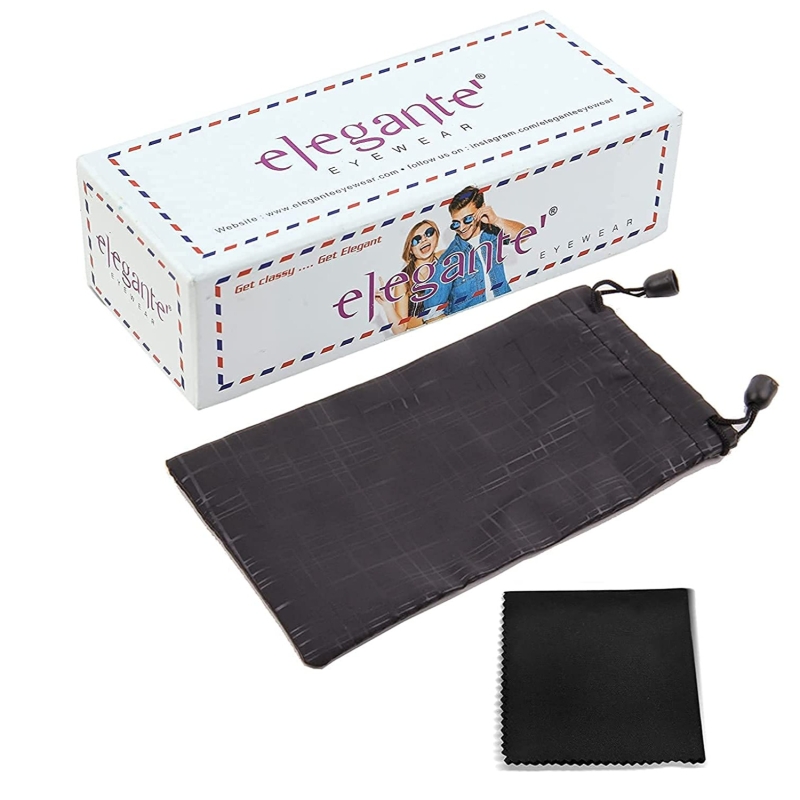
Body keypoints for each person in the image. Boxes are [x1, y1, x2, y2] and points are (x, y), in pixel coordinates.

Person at [422, 186, 527, 317]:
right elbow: (431, 313)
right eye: (456, 223)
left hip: (507, 312)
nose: (462, 227)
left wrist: (496, 220)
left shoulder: (492, 234)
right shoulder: (449, 260)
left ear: (481, 209)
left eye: (467, 219)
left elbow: (524, 235)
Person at [375, 220, 443, 335]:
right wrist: (387, 305)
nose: (423, 239)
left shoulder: (445, 258)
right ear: (410, 250)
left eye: (429, 233)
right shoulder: (403, 281)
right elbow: (400, 329)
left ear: (436, 237)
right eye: (416, 240)